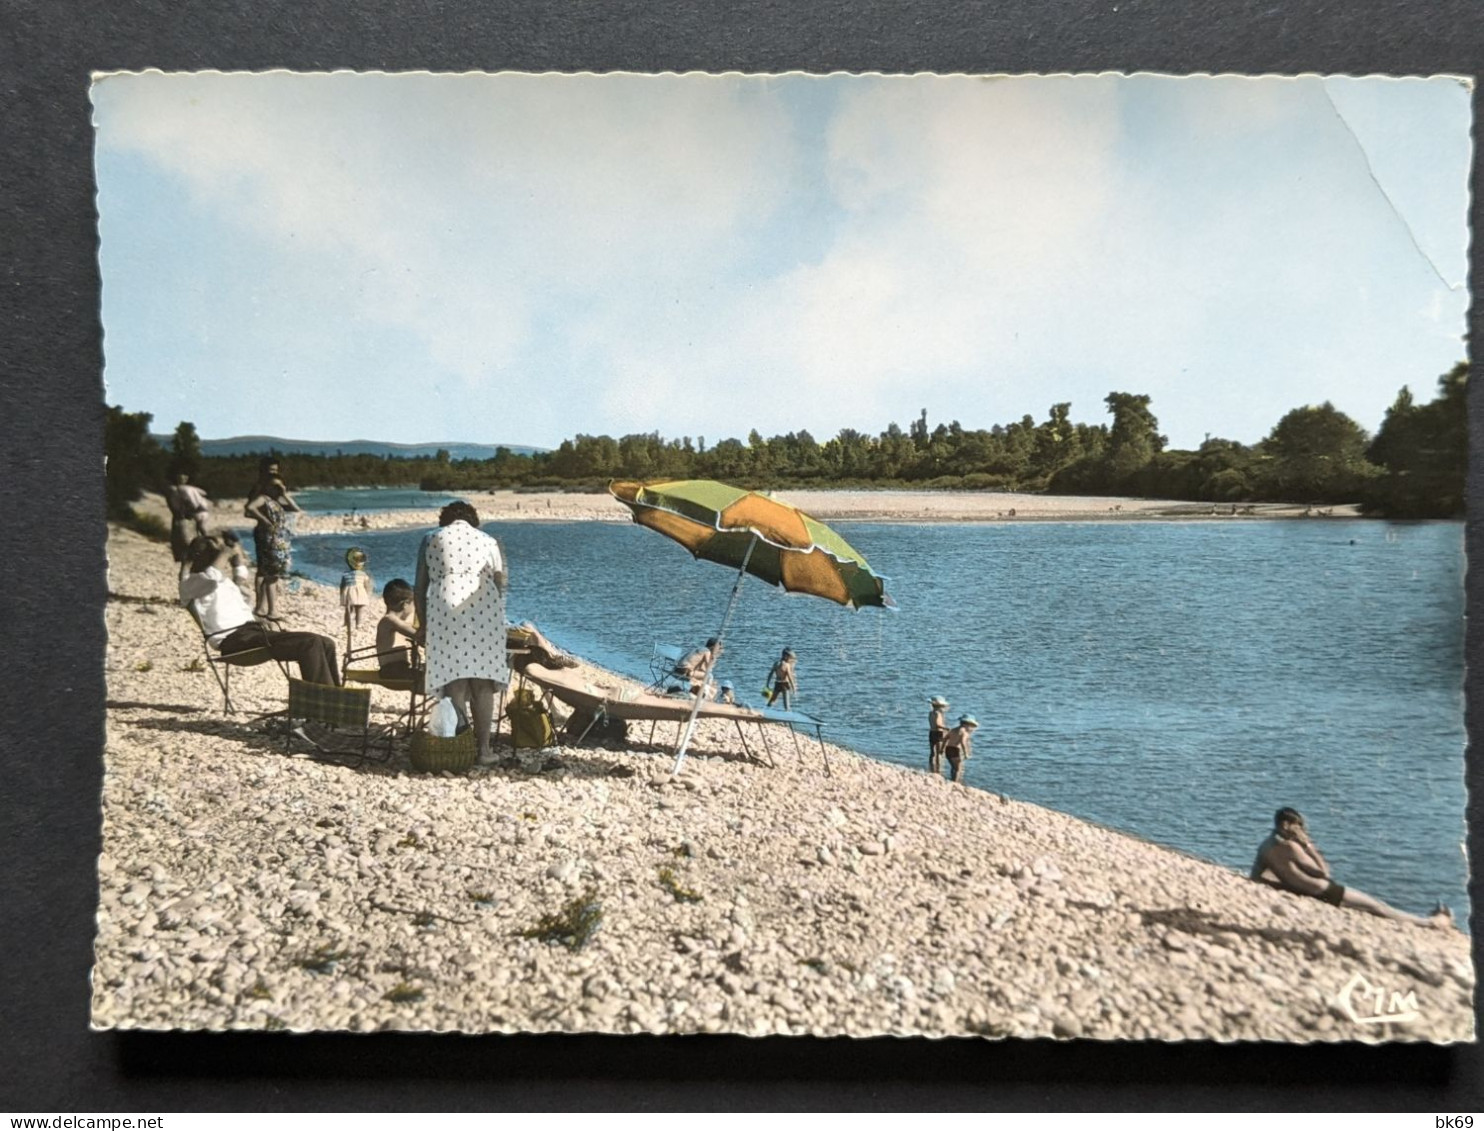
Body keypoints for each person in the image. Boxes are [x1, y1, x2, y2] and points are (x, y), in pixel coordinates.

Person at [416, 500, 509, 765]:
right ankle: (484, 750)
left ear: (444, 520)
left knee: (454, 679)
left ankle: (461, 747)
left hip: (444, 607)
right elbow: (500, 582)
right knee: (483, 682)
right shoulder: (488, 540)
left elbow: (419, 587)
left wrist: (423, 625)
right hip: (483, 606)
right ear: (473, 521)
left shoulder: (431, 538)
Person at [179, 535, 341, 687]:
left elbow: (240, 580)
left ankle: (336, 698)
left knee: (326, 643)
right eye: (214, 554)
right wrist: (226, 551)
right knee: (310, 642)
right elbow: (211, 575)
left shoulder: (220, 581)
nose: (218, 558)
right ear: (201, 557)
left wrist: (237, 561)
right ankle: (322, 703)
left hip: (252, 633)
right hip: (232, 641)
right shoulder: (192, 584)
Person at [1250, 808, 1453, 928]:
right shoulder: (1291, 847)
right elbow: (1324, 873)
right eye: (1299, 826)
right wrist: (1308, 846)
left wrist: (1286, 888)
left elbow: (1256, 877)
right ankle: (1432, 923)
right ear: (1286, 825)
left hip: (1310, 892)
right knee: (1379, 907)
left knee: (1374, 907)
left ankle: (1427, 920)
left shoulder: (1266, 845)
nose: (1302, 830)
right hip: (1325, 891)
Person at [244, 477, 299, 621]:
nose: (278, 489)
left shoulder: (277, 501)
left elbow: (296, 508)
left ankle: (267, 609)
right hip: (271, 538)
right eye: (275, 486)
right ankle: (271, 611)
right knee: (271, 573)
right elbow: (249, 508)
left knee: (273, 574)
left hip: (280, 539)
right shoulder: (264, 498)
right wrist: (265, 520)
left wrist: (284, 494)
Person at [375, 578, 423, 686]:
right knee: (433, 678)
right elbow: (417, 635)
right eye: (413, 604)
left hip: (398, 670)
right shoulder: (389, 620)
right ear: (405, 604)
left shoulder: (393, 621)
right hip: (391, 672)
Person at [165, 471, 212, 563]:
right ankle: (204, 549)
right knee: (198, 532)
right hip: (198, 511)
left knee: (186, 535)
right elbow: (204, 493)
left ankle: (190, 555)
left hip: (188, 513)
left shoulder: (178, 489)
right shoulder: (185, 489)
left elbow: (174, 503)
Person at [340, 548, 374, 635]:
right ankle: (358, 624)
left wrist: (341, 594)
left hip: (348, 592)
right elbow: (366, 585)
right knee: (359, 610)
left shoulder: (346, 574)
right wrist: (367, 594)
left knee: (348, 609)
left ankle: (346, 624)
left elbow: (342, 585)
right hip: (360, 593)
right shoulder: (363, 574)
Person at [941, 714, 978, 785]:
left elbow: (945, 738)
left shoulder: (953, 729)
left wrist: (942, 749)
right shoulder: (964, 732)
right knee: (958, 768)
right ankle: (956, 782)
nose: (971, 729)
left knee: (953, 767)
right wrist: (966, 753)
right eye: (971, 726)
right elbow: (963, 742)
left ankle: (952, 779)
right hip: (955, 750)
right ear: (967, 725)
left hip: (948, 749)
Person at [927, 695, 950, 775]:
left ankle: (931, 767)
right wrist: (946, 728)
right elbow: (937, 724)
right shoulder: (938, 714)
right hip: (938, 733)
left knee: (932, 752)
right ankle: (938, 769)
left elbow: (931, 723)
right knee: (939, 753)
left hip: (931, 732)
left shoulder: (930, 713)